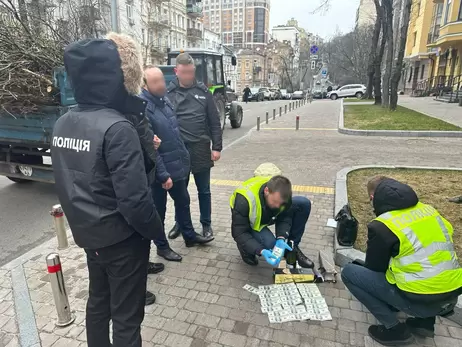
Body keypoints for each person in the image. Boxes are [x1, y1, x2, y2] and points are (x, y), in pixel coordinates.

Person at [51, 33, 166, 347]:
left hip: (90, 235)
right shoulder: (117, 127)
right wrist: (156, 231)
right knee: (127, 318)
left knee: (98, 304)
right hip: (122, 239)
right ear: (114, 77)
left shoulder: (64, 122)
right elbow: (136, 200)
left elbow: (65, 182)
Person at [341, 176, 462, 346]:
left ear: (372, 198)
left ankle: (394, 329)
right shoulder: (430, 211)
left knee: (349, 273)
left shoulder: (383, 225)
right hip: (452, 294)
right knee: (427, 268)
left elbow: (375, 268)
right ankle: (425, 324)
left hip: (420, 301)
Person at [141, 66, 214, 263]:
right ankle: (162, 247)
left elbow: (174, 134)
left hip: (177, 165)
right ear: (145, 85)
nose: (161, 85)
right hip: (159, 171)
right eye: (155, 82)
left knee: (183, 201)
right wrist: (163, 175)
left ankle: (189, 237)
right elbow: (151, 147)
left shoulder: (165, 101)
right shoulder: (144, 109)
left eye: (162, 81)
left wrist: (184, 159)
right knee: (159, 211)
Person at [167, 53, 223, 240]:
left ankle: (206, 224)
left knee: (204, 190)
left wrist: (217, 147)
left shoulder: (204, 92)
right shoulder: (169, 93)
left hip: (200, 146)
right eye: (184, 72)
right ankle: (180, 223)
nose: (188, 76)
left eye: (191, 72)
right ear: (177, 71)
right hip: (179, 149)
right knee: (179, 191)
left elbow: (214, 122)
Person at [230, 175, 314, 268]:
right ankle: (245, 250)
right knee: (270, 244)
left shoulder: (282, 195)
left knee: (302, 204)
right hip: (250, 222)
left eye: (281, 203)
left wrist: (282, 237)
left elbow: (284, 216)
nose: (278, 206)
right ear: (266, 191)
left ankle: (291, 248)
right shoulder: (244, 200)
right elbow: (239, 233)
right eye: (275, 201)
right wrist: (260, 250)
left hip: (267, 215)